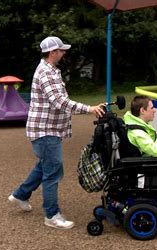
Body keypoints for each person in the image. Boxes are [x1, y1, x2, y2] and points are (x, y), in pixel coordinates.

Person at [8, 36, 105, 229]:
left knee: (45, 165)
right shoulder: (46, 73)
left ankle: (20, 194)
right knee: (53, 171)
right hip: (45, 130)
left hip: (48, 129)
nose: (64, 53)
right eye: (61, 50)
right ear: (53, 52)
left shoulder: (50, 70)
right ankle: (51, 216)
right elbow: (59, 102)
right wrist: (89, 108)